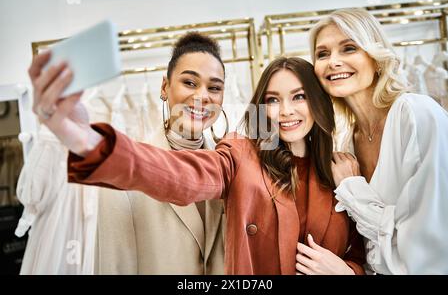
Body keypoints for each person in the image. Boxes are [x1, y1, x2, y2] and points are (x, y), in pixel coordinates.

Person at [29, 53, 366, 274]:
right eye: (273, 100)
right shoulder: (241, 154)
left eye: (299, 96)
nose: (286, 111)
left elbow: (372, 255)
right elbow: (179, 175)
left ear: (319, 102)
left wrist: (347, 272)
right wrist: (91, 143)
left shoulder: (343, 171)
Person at [28, 32, 227, 274]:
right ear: (165, 87)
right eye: (189, 83)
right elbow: (114, 266)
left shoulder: (230, 168)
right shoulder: (122, 179)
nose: (202, 97)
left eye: (214, 87)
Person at [309, 8, 448, 274]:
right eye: (322, 54)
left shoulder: (417, 115)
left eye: (348, 48)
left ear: (376, 58)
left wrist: (353, 188)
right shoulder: (346, 141)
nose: (333, 61)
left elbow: (432, 250)